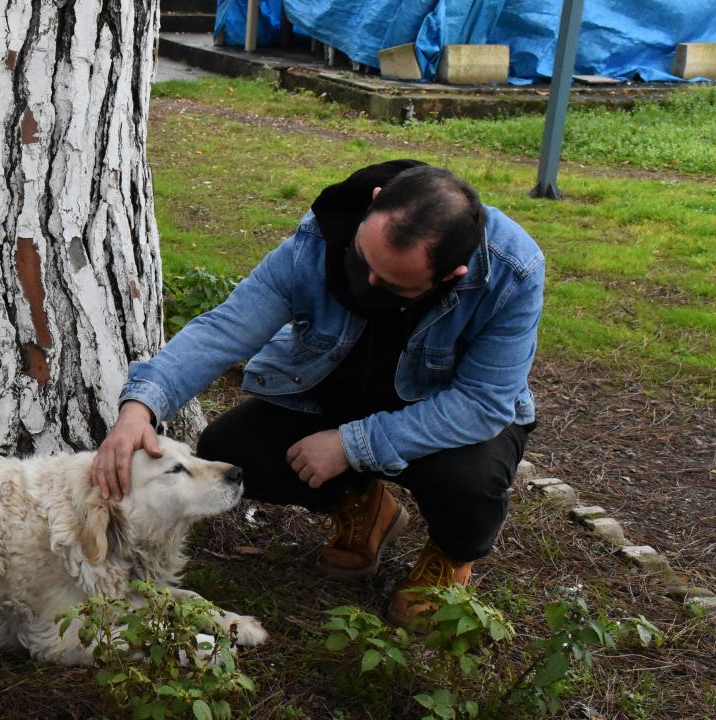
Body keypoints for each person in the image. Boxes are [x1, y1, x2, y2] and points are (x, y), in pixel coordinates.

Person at [91, 160, 544, 627]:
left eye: (393, 285)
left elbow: (484, 403)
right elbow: (225, 329)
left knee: (468, 483)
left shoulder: (512, 272)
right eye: (362, 258)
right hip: (342, 393)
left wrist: (351, 445)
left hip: (450, 417)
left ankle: (450, 557)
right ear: (375, 203)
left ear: (452, 275)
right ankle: (366, 512)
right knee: (233, 448)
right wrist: (141, 405)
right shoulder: (320, 236)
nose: (369, 284)